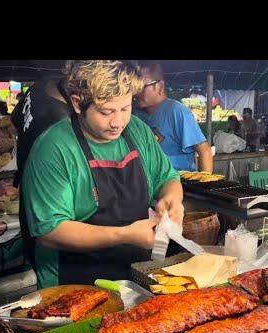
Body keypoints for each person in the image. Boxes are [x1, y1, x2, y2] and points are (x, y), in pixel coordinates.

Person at [22, 60, 183, 288]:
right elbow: (50, 231)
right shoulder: (53, 148)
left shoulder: (138, 131)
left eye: (125, 108)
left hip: (135, 276)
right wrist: (125, 235)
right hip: (73, 283)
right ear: (78, 104)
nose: (118, 122)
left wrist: (172, 199)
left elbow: (167, 178)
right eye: (106, 112)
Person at [11, 74, 71, 273]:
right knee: (50, 265)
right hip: (45, 195)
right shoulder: (62, 123)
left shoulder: (38, 87)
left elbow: (15, 120)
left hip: (28, 186)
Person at [135, 61, 213, 172]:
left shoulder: (177, 112)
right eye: (134, 87)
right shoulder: (135, 115)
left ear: (160, 86)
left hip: (180, 183)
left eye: (142, 87)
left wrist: (204, 187)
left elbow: (204, 151)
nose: (136, 92)